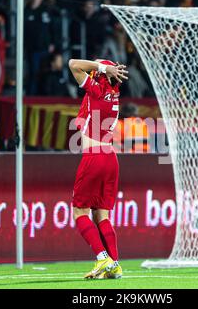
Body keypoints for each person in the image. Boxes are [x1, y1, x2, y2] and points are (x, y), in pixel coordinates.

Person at [68, 58, 128, 279]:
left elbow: (73, 63)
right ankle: (115, 264)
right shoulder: (113, 93)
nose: (91, 70)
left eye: (95, 69)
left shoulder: (97, 91)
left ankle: (102, 257)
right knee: (102, 215)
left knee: (79, 211)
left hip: (94, 157)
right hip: (110, 158)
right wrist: (104, 69)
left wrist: (102, 68)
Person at [24, 0, 55, 95]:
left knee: (45, 73)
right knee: (33, 73)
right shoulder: (26, 10)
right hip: (32, 48)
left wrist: (53, 43)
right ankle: (31, 95)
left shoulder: (46, 10)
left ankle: (44, 95)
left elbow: (52, 28)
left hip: (45, 47)